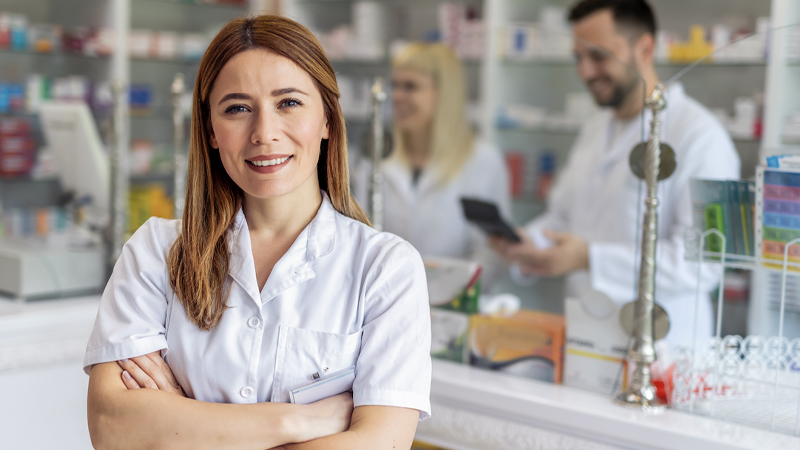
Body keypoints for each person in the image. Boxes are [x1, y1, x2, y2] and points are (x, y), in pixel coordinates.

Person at [84, 15, 431, 450]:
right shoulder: (156, 251)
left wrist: (180, 427)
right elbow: (113, 429)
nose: (264, 133)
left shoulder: (385, 268)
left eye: (289, 103)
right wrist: (294, 423)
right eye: (237, 108)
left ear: (327, 120)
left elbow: (383, 443)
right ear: (211, 131)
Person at [490, 0, 740, 348]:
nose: (586, 72)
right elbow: (563, 217)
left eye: (599, 56)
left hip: (664, 350)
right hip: (585, 340)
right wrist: (527, 244)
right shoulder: (594, 129)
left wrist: (590, 258)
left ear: (646, 47)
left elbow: (701, 265)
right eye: (578, 57)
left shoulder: (702, 137)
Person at [354, 43, 511, 289]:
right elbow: (360, 236)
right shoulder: (377, 157)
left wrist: (450, 295)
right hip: (385, 302)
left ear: (444, 94)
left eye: (410, 87)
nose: (395, 96)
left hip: (456, 310)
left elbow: (492, 252)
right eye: (395, 85)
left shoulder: (483, 161)